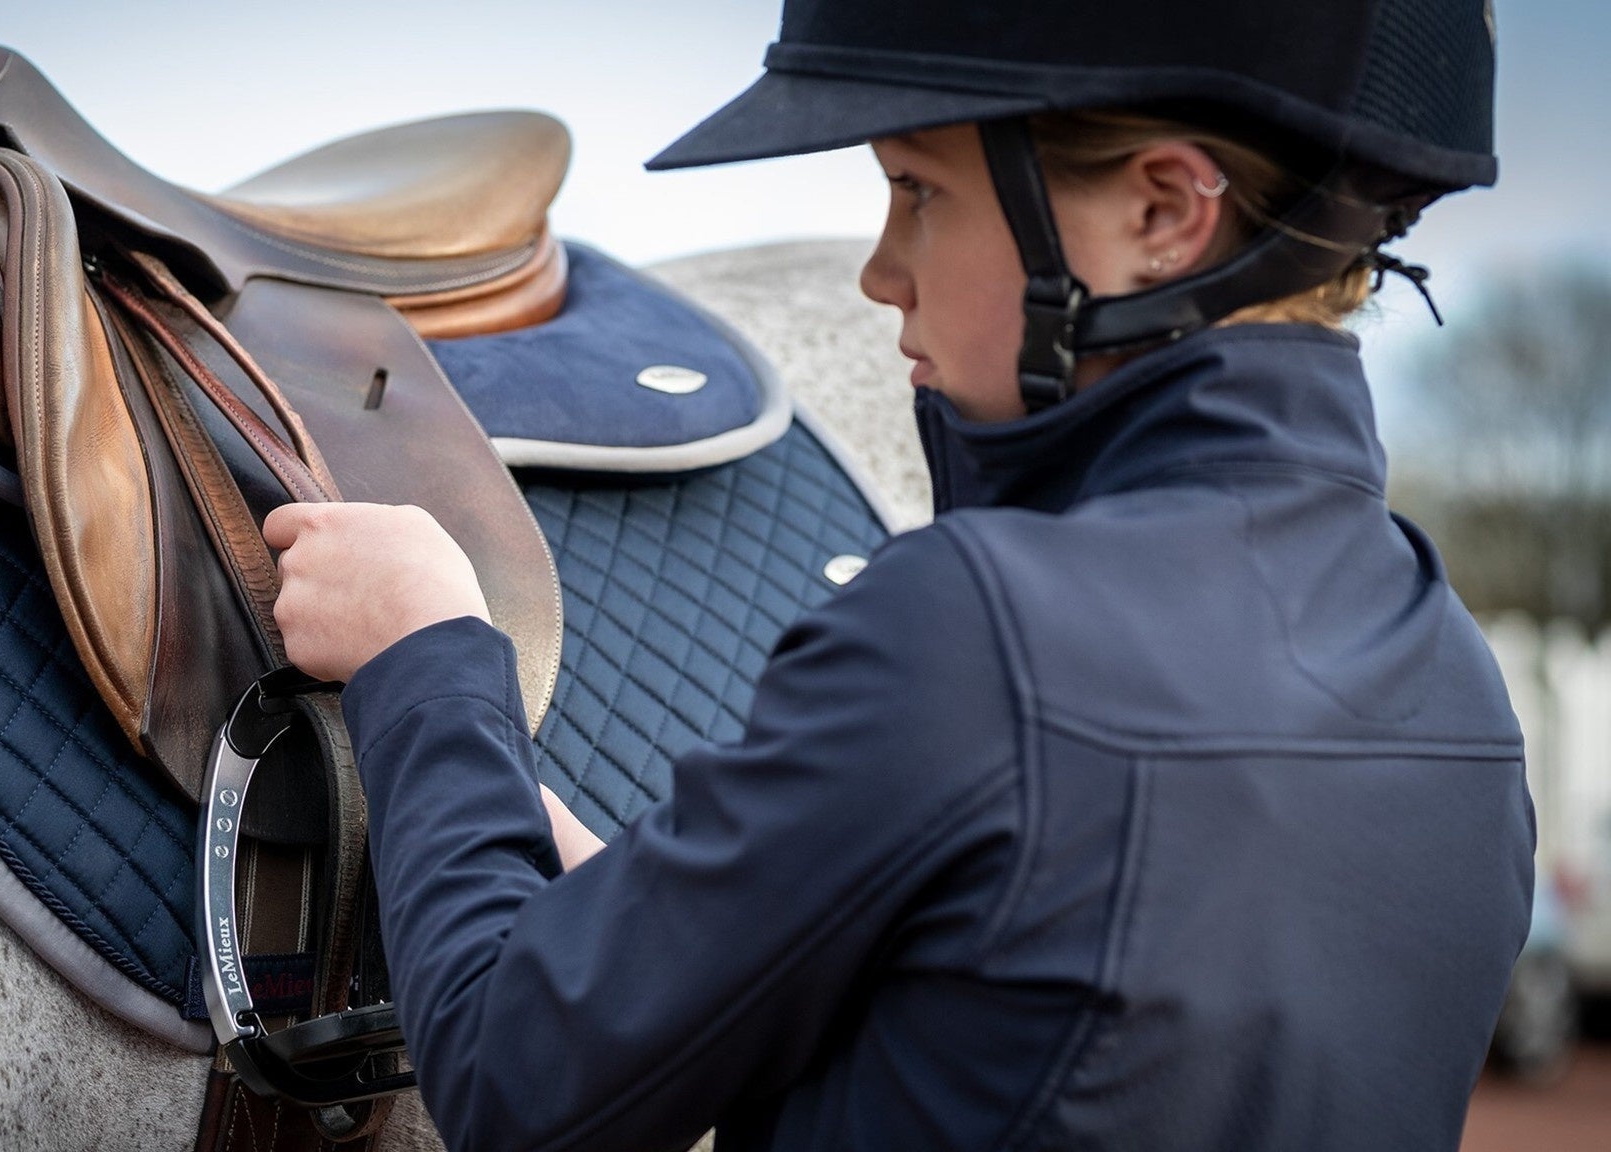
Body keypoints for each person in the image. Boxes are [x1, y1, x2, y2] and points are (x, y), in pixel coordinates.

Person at [261, 1, 1535, 1148]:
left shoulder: (974, 627)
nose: (878, 271)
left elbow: (508, 1081)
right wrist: (635, 916)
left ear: (1159, 213)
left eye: (918, 191)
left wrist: (420, 658)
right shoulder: (1455, 683)